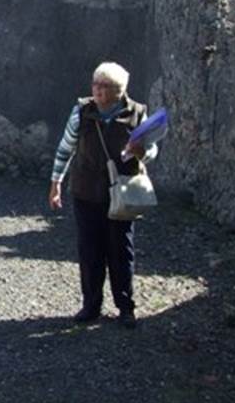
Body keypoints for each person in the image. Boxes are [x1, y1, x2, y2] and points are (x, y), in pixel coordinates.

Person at [47, 61, 157, 328]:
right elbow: (66, 147)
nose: (98, 90)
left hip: (122, 193)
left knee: (121, 251)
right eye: (96, 83)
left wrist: (141, 151)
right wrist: (56, 182)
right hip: (86, 191)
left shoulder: (137, 113)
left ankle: (125, 307)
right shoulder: (81, 112)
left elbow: (152, 150)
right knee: (90, 251)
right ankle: (91, 305)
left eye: (105, 86)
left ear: (119, 90)